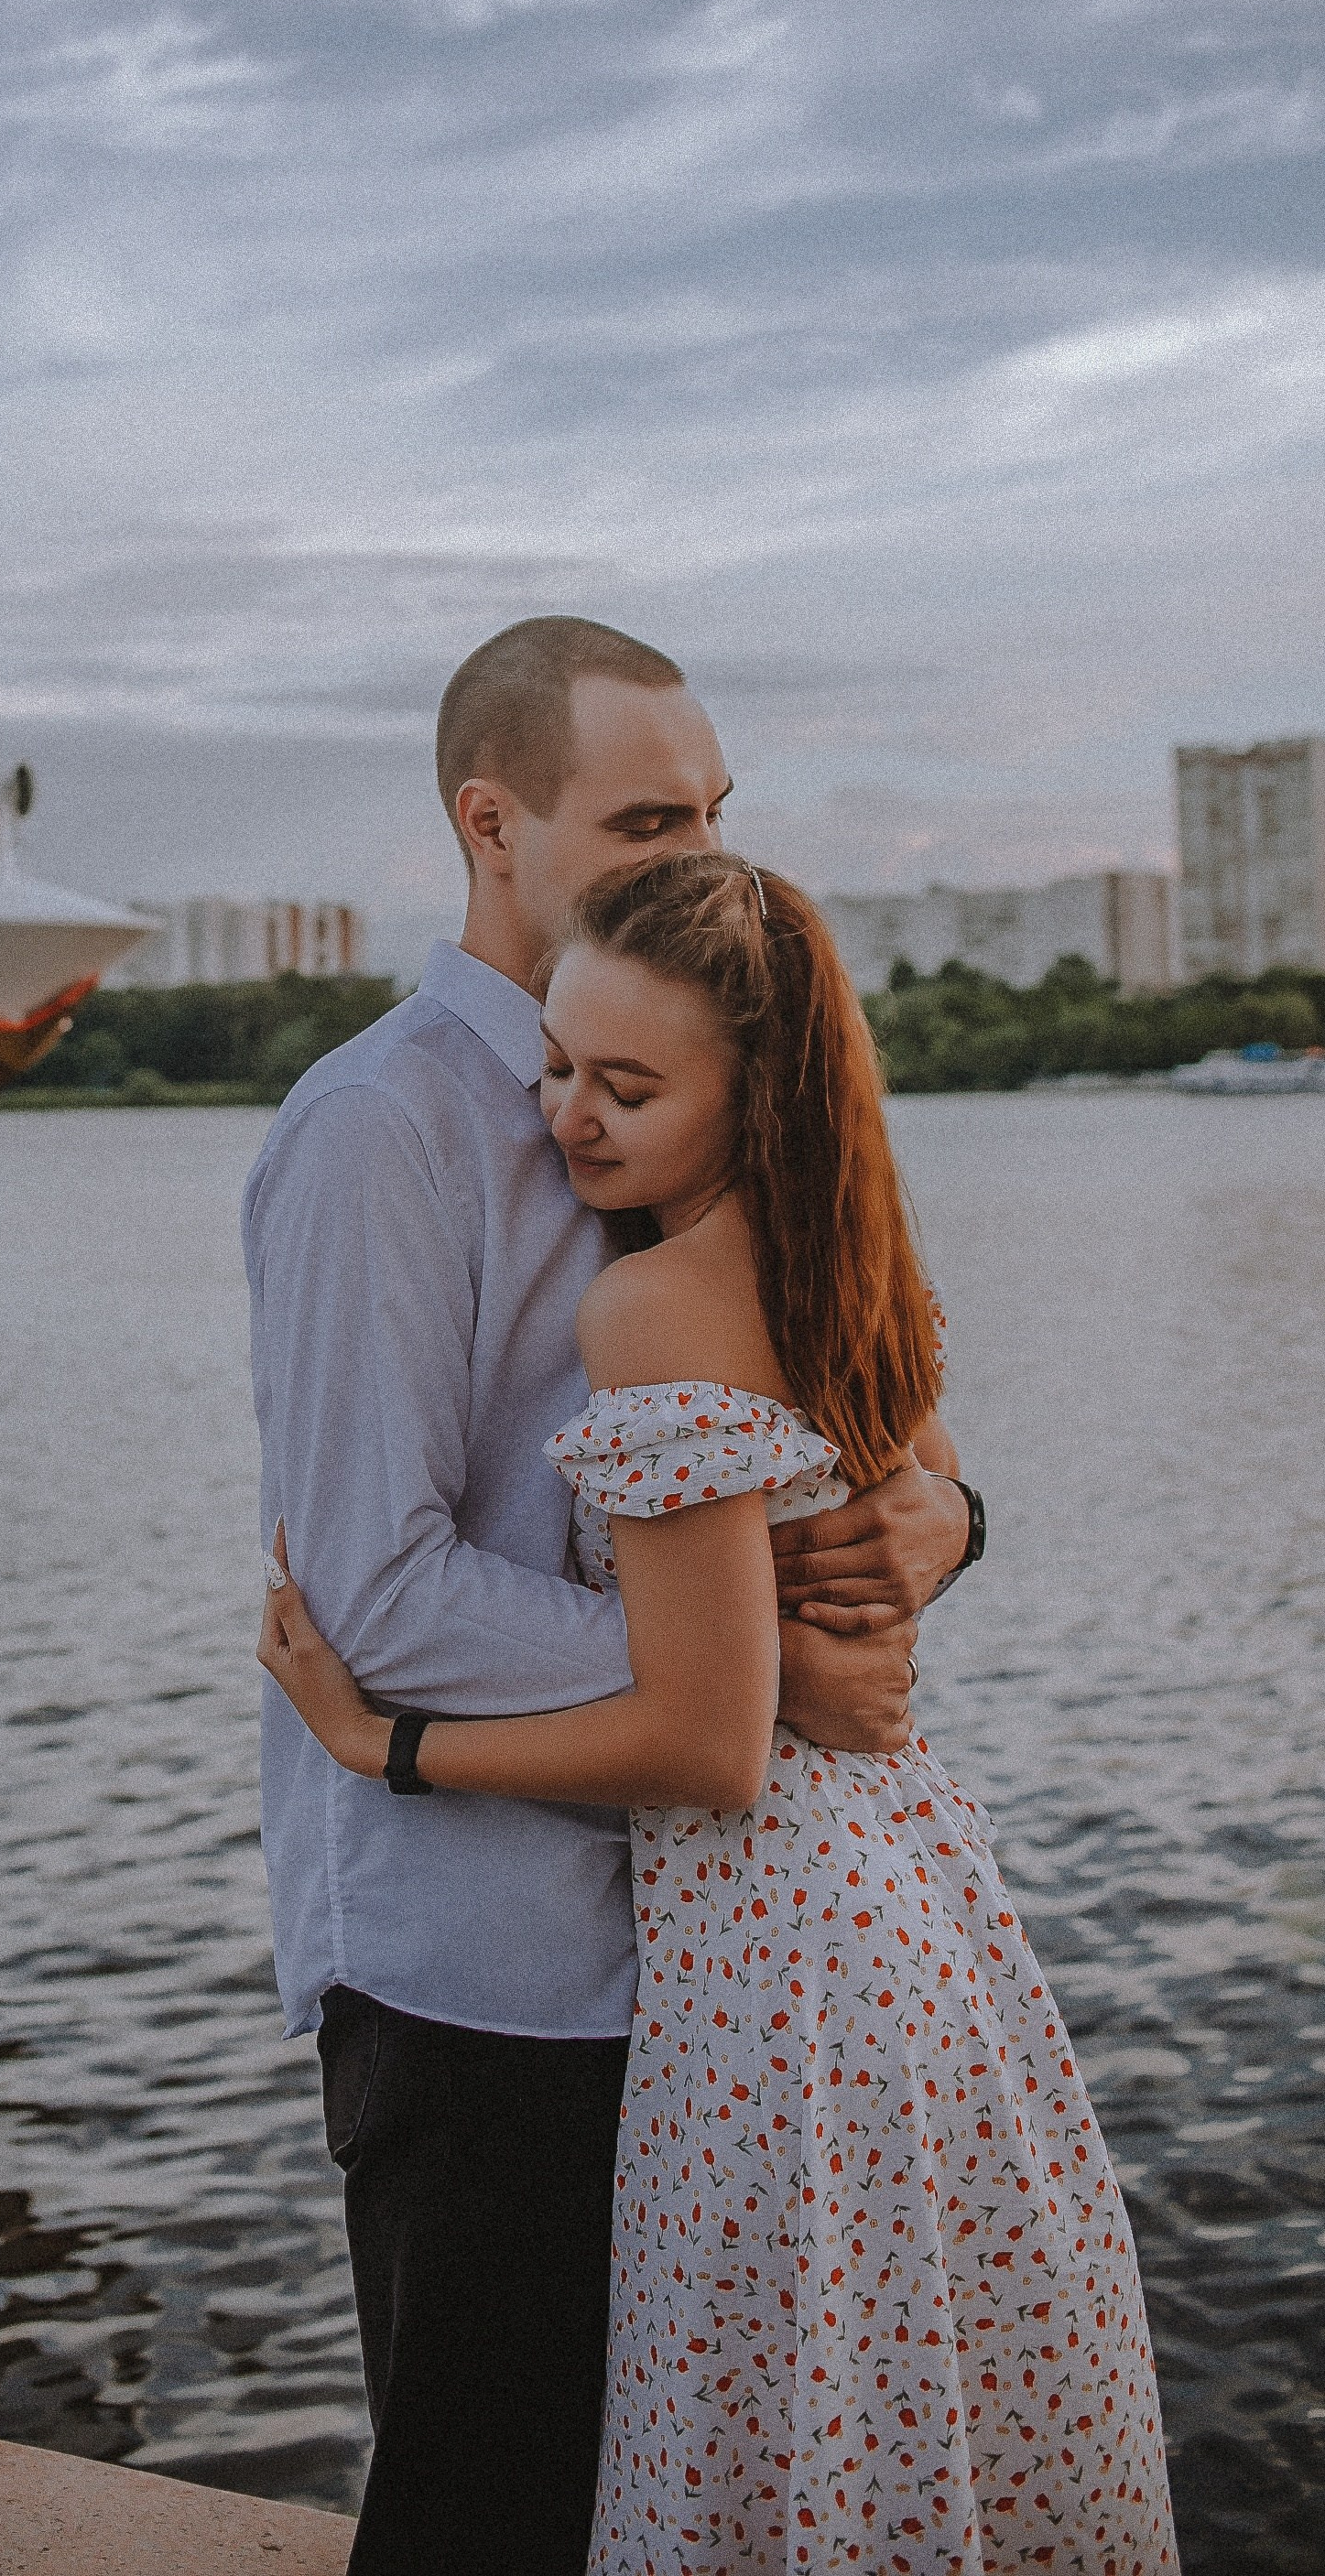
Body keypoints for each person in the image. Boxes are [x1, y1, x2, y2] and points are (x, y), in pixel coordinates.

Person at [260, 850, 1177, 2575]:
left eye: (626, 1085)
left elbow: (703, 1740)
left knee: (758, 2430)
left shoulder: (652, 1301)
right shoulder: (849, 1248)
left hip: (772, 1939)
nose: (566, 1119)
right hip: (920, 1905)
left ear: (747, 1094)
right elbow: (921, 1501)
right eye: (556, 1066)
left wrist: (387, 1743)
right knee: (889, 2400)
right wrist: (940, 1531)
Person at [242, 620, 975, 2576]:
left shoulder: (693, 1074)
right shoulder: (380, 1132)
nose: (689, 852)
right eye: (642, 816)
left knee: (675, 2516)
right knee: (485, 2510)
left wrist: (952, 1521)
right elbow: (371, 1591)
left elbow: (820, 1410)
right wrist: (756, 1685)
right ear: (491, 823)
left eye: (710, 815)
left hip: (719, 1961)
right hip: (482, 1967)